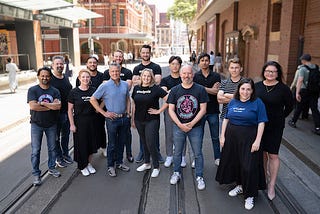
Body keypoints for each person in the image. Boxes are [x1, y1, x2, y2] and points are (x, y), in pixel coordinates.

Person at [215, 78, 268, 210]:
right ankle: (240, 185)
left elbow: (262, 122)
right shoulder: (233, 101)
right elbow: (226, 119)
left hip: (249, 138)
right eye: (243, 89)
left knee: (248, 166)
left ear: (252, 91)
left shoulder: (258, 102)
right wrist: (222, 136)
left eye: (248, 89)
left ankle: (249, 195)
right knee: (236, 163)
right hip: (232, 137)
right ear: (239, 89)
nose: (245, 92)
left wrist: (258, 140)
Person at [255, 61, 294, 200]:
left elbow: (290, 106)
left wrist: (280, 117)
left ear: (278, 73)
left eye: (273, 71)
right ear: (263, 72)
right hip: (259, 125)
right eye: (267, 71)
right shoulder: (257, 86)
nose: (270, 73)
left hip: (275, 126)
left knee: (273, 155)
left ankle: (272, 185)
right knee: (263, 153)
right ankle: (264, 178)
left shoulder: (283, 89)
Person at [167, 65, 209, 191]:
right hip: (178, 127)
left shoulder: (200, 89)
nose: (186, 76)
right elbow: (171, 109)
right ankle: (176, 172)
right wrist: (180, 124)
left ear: (193, 75)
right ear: (180, 75)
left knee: (197, 153)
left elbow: (203, 109)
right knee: (177, 152)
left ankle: (199, 176)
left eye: (189, 73)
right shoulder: (174, 90)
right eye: (184, 73)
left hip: (195, 127)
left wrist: (191, 124)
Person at [90, 62, 131, 177]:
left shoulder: (124, 84)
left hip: (123, 118)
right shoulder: (105, 86)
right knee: (112, 144)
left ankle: (119, 162)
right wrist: (104, 113)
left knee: (121, 142)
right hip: (112, 120)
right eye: (112, 71)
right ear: (109, 72)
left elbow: (127, 98)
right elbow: (93, 99)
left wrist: (128, 112)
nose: (114, 73)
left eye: (117, 71)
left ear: (120, 71)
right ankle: (110, 166)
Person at [27, 67, 62, 186]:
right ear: (38, 76)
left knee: (52, 148)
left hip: (51, 124)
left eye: (47, 76)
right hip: (36, 124)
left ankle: (52, 168)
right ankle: (36, 174)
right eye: (42, 75)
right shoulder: (33, 90)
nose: (45, 78)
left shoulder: (55, 91)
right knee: (35, 151)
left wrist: (41, 103)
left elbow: (58, 107)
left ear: (50, 77)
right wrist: (49, 106)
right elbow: (33, 107)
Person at [132, 69, 168, 178]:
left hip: (152, 120)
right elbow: (134, 104)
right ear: (141, 77)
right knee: (144, 142)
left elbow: (169, 99)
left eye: (148, 76)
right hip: (139, 119)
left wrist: (159, 110)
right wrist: (132, 119)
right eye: (144, 76)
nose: (146, 78)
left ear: (151, 77)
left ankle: (156, 166)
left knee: (151, 142)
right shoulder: (136, 88)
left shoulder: (155, 88)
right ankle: (147, 163)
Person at [132, 44, 163, 162]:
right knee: (142, 134)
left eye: (147, 52)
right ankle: (142, 152)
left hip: (152, 103)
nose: (145, 54)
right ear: (140, 53)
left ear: (150, 53)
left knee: (153, 133)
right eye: (143, 52)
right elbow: (134, 83)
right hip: (140, 105)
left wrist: (141, 80)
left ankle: (157, 152)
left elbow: (157, 81)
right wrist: (147, 79)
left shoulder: (156, 67)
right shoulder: (136, 68)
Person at [103, 49, 134, 162]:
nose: (118, 58)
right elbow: (105, 88)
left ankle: (129, 154)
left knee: (127, 134)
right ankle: (114, 158)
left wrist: (129, 112)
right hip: (111, 108)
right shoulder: (107, 72)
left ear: (123, 58)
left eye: (120, 56)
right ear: (113, 57)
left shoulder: (128, 72)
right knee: (113, 137)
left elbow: (128, 87)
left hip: (124, 107)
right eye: (116, 56)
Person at [68, 69, 98, 176]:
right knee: (81, 144)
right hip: (79, 122)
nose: (85, 79)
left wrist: (99, 109)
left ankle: (88, 163)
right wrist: (72, 124)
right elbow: (70, 110)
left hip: (92, 121)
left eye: (87, 77)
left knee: (91, 144)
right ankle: (82, 165)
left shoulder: (94, 90)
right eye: (83, 77)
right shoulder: (73, 92)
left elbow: (102, 100)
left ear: (90, 78)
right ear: (79, 78)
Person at [193, 53, 221, 166]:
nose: (204, 62)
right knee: (198, 137)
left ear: (209, 62)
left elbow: (216, 92)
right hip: (199, 112)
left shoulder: (216, 76)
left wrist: (201, 88)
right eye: (202, 60)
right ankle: (196, 159)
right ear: (199, 63)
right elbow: (195, 92)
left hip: (213, 110)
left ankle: (217, 157)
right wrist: (210, 89)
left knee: (215, 137)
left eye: (206, 60)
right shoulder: (195, 76)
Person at [77, 55, 107, 157]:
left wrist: (100, 108)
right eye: (90, 62)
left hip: (100, 107)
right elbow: (78, 92)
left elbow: (105, 94)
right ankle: (92, 149)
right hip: (86, 109)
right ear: (87, 64)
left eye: (94, 62)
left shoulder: (102, 76)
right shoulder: (82, 76)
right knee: (90, 131)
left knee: (100, 128)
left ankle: (103, 147)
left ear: (97, 64)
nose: (92, 64)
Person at [160, 56, 187, 168]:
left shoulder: (184, 78)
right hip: (169, 110)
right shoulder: (165, 80)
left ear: (180, 65)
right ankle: (170, 155)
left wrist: (171, 93)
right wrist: (177, 92)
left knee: (182, 133)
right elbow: (165, 96)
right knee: (169, 134)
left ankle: (182, 156)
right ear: (170, 65)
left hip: (183, 110)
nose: (175, 66)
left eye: (177, 64)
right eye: (172, 64)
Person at [288, 54, 320, 135]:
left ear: (304, 60)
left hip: (304, 91)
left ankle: (293, 122)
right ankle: (318, 127)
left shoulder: (302, 69)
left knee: (299, 107)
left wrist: (297, 92)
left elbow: (300, 81)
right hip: (315, 91)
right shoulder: (317, 67)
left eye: (302, 60)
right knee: (314, 109)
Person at [50, 55, 73, 168]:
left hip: (67, 112)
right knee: (56, 138)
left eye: (61, 64)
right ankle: (58, 157)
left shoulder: (65, 77)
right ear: (52, 66)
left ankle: (65, 154)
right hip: (55, 115)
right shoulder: (50, 79)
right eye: (57, 64)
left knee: (66, 136)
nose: (59, 66)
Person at [217, 57, 244, 128]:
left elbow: (246, 98)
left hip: (241, 119)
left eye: (236, 68)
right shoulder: (224, 83)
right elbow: (219, 99)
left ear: (241, 69)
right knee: (223, 139)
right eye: (232, 68)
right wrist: (238, 98)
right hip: (225, 118)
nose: (234, 70)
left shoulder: (245, 83)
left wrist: (226, 95)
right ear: (229, 69)